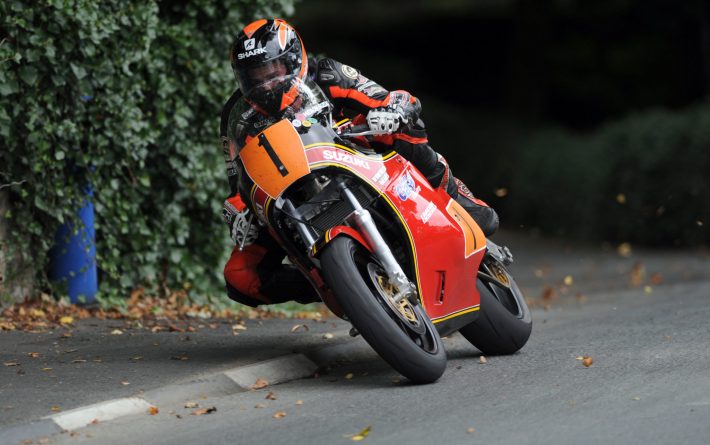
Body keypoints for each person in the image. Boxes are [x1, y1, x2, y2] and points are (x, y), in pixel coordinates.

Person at [220, 18, 499, 307]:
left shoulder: (327, 73)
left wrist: (393, 112)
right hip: (288, 191)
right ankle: (336, 282)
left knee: (403, 129)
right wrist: (238, 211)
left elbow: (398, 99)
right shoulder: (236, 115)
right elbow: (239, 178)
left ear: (294, 60)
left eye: (272, 70)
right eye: (255, 75)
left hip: (352, 153)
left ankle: (456, 198)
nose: (266, 82)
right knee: (239, 276)